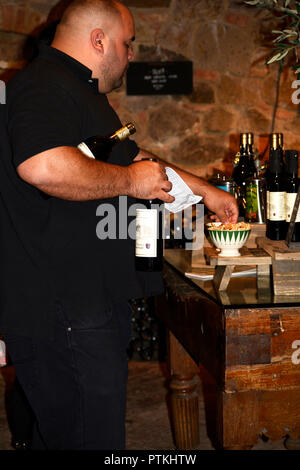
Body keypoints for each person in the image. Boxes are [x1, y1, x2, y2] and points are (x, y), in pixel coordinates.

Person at [0, 0, 238, 450]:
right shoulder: (47, 85)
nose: (130, 55)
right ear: (98, 40)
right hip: (64, 309)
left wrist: (204, 189)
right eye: (127, 44)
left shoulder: (78, 90)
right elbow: (43, 166)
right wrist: (129, 182)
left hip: (81, 304)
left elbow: (135, 161)